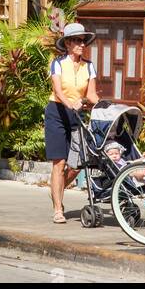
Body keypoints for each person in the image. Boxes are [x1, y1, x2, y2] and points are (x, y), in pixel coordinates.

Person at [45, 23, 99, 223]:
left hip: (77, 115)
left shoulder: (89, 66)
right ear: (67, 43)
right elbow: (58, 91)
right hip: (57, 112)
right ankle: (58, 209)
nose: (81, 44)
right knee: (59, 163)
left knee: (76, 165)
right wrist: (70, 104)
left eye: (83, 41)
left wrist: (103, 105)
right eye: (77, 40)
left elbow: (91, 94)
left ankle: (56, 188)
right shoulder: (58, 64)